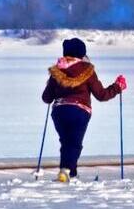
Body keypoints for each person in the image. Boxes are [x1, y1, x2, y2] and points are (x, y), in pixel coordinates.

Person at [42, 38, 126, 182]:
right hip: (79, 111)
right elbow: (101, 95)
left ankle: (68, 174)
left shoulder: (57, 70)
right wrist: (118, 87)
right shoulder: (87, 71)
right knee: (74, 143)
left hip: (59, 111)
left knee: (66, 143)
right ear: (82, 53)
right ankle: (67, 172)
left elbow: (46, 98)